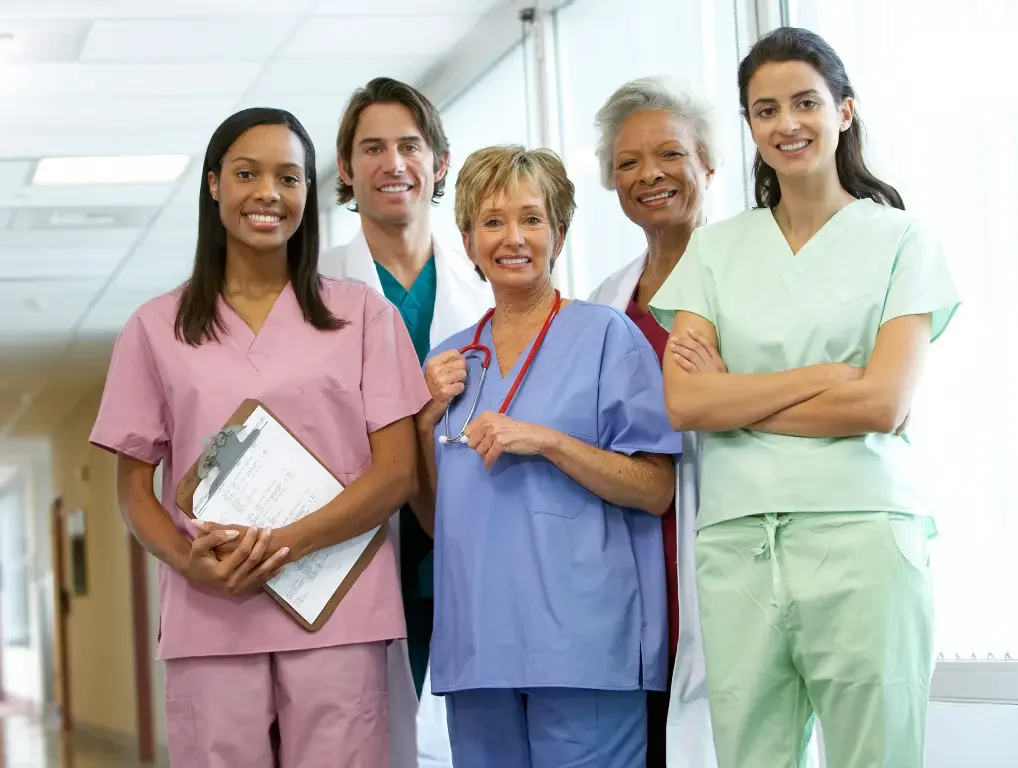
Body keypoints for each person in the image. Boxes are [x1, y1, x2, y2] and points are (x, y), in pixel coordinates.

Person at [650, 27, 959, 768]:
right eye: (764, 110)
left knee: (875, 756)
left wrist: (739, 395)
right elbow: (686, 404)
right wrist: (824, 377)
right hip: (739, 546)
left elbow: (881, 405)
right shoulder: (716, 250)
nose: (786, 123)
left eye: (805, 102)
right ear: (750, 127)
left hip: (864, 539)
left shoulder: (901, 239)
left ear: (844, 111)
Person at [89, 107, 430, 768]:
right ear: (214, 184)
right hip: (212, 609)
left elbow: (396, 474)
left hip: (337, 605)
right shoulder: (155, 328)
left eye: (290, 177)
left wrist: (282, 544)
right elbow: (134, 491)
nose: (269, 193)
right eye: (248, 173)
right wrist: (190, 564)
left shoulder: (362, 314)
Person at [412, 145, 680, 767]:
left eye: (532, 219)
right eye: (493, 221)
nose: (513, 237)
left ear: (558, 233)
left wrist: (550, 441)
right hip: (479, 646)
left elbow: (654, 486)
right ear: (468, 238)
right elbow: (436, 518)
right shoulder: (451, 361)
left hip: (582, 646)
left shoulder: (606, 335)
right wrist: (424, 422)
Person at [319, 77, 491, 768]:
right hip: (356, 541)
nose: (393, 163)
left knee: (469, 736)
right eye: (372, 148)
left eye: (409, 146)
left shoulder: (487, 286)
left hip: (465, 534)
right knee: (367, 737)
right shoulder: (314, 290)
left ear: (439, 162)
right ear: (345, 169)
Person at [588, 76, 720, 768]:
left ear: (708, 163)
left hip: (724, 541)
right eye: (629, 163)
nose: (650, 176)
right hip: (636, 559)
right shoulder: (606, 300)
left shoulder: (743, 274)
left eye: (669, 154)